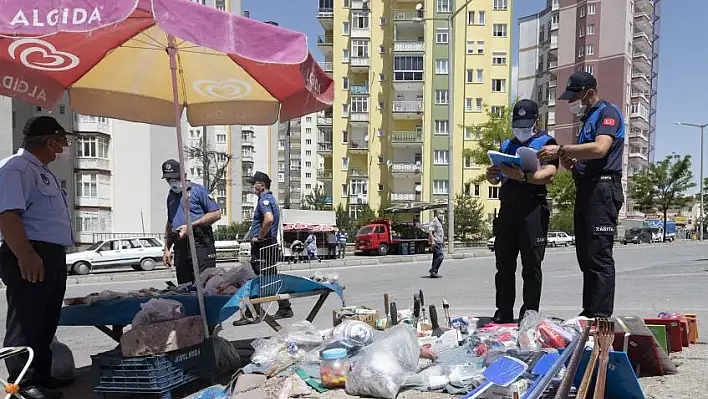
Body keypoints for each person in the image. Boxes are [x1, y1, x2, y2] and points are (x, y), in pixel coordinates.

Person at [538, 71, 625, 318]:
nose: (570, 102)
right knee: (585, 255)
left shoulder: (608, 113)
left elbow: (600, 148)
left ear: (589, 92)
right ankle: (589, 312)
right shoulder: (588, 117)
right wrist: (570, 162)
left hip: (603, 190)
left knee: (598, 254)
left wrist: (562, 149)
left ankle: (600, 316)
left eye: (574, 96)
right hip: (587, 188)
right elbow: (586, 159)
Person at [0, 116, 75, 399]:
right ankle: (22, 384)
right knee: (26, 320)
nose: (63, 148)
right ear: (50, 141)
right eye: (62, 142)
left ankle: (41, 377)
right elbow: (7, 215)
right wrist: (25, 254)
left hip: (50, 253)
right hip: (31, 252)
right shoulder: (16, 169)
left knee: (46, 319)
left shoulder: (39, 170)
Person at [486, 99, 559, 323]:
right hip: (508, 210)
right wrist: (492, 175)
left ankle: (529, 313)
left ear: (536, 121)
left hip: (532, 209)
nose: (521, 128)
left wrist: (525, 177)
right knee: (504, 265)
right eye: (518, 123)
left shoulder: (547, 142)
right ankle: (504, 311)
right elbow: (498, 177)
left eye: (526, 123)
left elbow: (550, 173)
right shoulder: (507, 144)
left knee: (531, 266)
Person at [233, 171, 293, 326]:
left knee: (254, 279)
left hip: (263, 245)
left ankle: (250, 314)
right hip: (270, 245)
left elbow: (269, 219)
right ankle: (285, 308)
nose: (253, 186)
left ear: (262, 185)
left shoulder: (264, 200)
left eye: (254, 183)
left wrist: (259, 236)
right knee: (270, 278)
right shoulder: (270, 199)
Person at [161, 159, 221, 285]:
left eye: (175, 178)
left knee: (204, 284)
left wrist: (191, 225)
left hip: (200, 243)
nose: (172, 182)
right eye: (168, 179)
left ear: (184, 175)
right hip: (180, 244)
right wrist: (167, 247)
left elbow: (216, 214)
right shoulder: (171, 196)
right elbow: (170, 221)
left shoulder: (197, 190)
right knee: (184, 285)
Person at [428, 209, 445, 278]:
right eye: (440, 213)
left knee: (436, 258)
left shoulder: (441, 222)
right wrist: (432, 242)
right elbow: (430, 232)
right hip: (435, 242)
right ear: (437, 213)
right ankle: (433, 270)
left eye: (443, 213)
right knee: (441, 256)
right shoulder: (434, 221)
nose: (442, 215)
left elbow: (441, 233)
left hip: (439, 242)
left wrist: (443, 241)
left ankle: (434, 273)